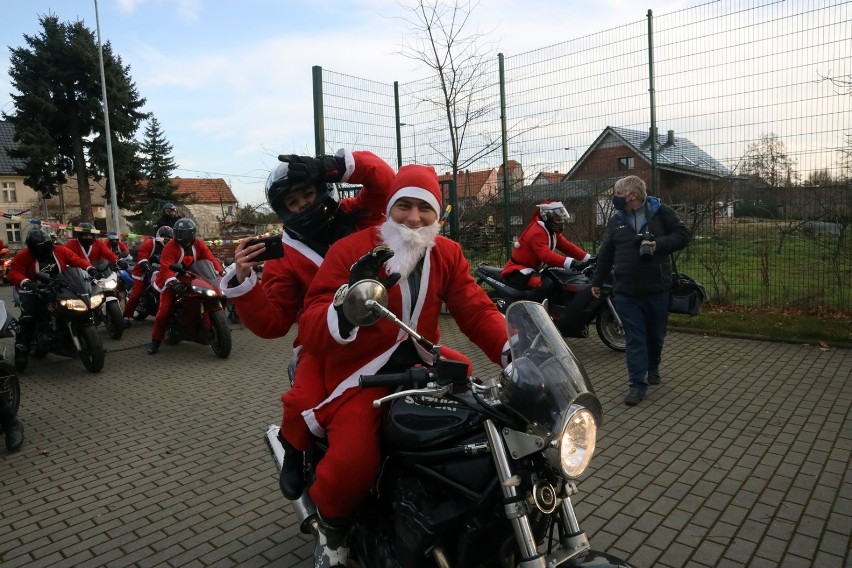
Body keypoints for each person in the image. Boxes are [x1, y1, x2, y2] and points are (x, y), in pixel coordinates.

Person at [293, 164, 510, 567]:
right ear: (389, 209)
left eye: (424, 208)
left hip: (426, 362)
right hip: (362, 372)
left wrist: (515, 350)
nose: (413, 217)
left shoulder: (447, 252)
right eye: (404, 206)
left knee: (488, 420)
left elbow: (476, 310)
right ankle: (333, 531)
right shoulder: (349, 251)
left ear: (437, 214)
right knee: (352, 461)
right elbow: (310, 321)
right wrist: (345, 311)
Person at [218, 149, 395, 493]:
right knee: (300, 403)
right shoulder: (284, 256)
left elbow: (386, 184)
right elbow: (274, 324)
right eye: (293, 201)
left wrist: (334, 165)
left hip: (388, 333)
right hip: (325, 345)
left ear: (322, 188)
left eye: (308, 194)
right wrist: (243, 280)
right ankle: (294, 451)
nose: (302, 204)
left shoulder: (359, 216)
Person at [590, 175, 689, 406]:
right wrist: (598, 280)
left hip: (657, 287)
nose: (614, 198)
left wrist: (658, 244)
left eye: (617, 193)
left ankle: (653, 367)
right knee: (635, 338)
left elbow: (683, 235)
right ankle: (637, 385)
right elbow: (606, 252)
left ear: (631, 195)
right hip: (625, 290)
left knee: (655, 335)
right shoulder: (616, 221)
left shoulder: (661, 212)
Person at [7, 227, 95, 367]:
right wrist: (27, 283)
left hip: (58, 286)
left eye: (47, 245)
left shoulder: (60, 250)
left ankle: (84, 341)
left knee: (78, 305)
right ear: (32, 248)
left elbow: (76, 260)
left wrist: (90, 268)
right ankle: (21, 351)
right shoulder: (23, 255)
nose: (46, 249)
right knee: (28, 318)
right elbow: (14, 273)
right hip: (31, 290)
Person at [148, 218, 222, 354]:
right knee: (163, 312)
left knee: (211, 293)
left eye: (183, 233)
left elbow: (209, 258)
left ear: (191, 233)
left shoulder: (199, 244)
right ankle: (156, 341)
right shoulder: (170, 246)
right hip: (172, 280)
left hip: (194, 276)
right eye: (178, 233)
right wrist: (172, 281)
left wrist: (219, 271)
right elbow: (166, 267)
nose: (180, 237)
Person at [501, 201, 591, 290]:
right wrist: (571, 263)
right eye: (557, 219)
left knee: (559, 279)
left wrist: (588, 258)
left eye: (560, 219)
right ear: (545, 217)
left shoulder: (550, 231)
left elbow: (567, 246)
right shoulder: (536, 232)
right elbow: (545, 255)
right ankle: (529, 305)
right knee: (547, 284)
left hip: (533, 269)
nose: (560, 222)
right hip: (518, 270)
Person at [122, 226, 174, 327]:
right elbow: (142, 259)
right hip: (142, 272)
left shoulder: (172, 246)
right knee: (137, 293)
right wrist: (149, 269)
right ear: (159, 236)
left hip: (162, 271)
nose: (167, 239)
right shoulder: (149, 244)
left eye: (169, 237)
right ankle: (126, 317)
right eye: (164, 237)